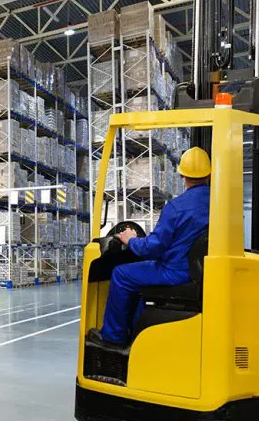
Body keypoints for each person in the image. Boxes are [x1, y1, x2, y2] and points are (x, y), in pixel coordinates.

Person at [87, 147, 212, 349]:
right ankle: (136, 330)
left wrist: (130, 240)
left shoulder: (176, 207)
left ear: (182, 175)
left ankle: (113, 337)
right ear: (209, 173)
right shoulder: (220, 204)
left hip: (176, 272)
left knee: (121, 274)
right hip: (201, 272)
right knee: (140, 275)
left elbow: (152, 248)